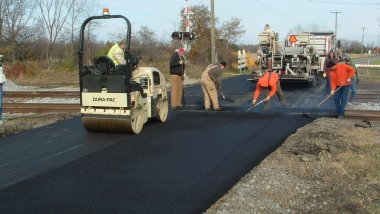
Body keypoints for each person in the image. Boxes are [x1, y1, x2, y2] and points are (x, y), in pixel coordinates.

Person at [0, 55, 6, 125]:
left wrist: (4, 80)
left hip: (0, 84)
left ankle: (0, 119)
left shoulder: (0, 66)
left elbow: (1, 74)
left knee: (0, 103)